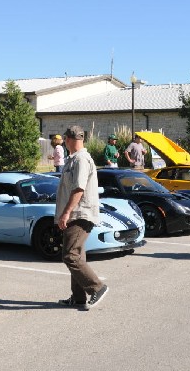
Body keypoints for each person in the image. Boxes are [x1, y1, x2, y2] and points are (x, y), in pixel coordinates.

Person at [56, 125, 108, 310]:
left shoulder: (81, 160)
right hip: (76, 214)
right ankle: (78, 298)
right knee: (77, 256)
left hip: (80, 214)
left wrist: (66, 212)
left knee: (69, 255)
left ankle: (97, 288)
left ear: (69, 140)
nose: (64, 143)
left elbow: (79, 188)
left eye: (64, 140)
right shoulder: (73, 160)